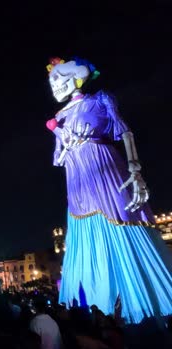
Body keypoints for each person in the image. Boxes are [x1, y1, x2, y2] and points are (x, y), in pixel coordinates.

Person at [45, 57, 172, 323]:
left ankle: (141, 303)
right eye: (51, 82)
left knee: (121, 221)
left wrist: (135, 170)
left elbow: (124, 131)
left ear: (76, 77)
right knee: (85, 230)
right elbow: (57, 159)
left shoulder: (100, 100)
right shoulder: (59, 116)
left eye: (58, 79)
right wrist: (61, 136)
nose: (54, 86)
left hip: (103, 165)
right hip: (77, 176)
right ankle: (99, 303)